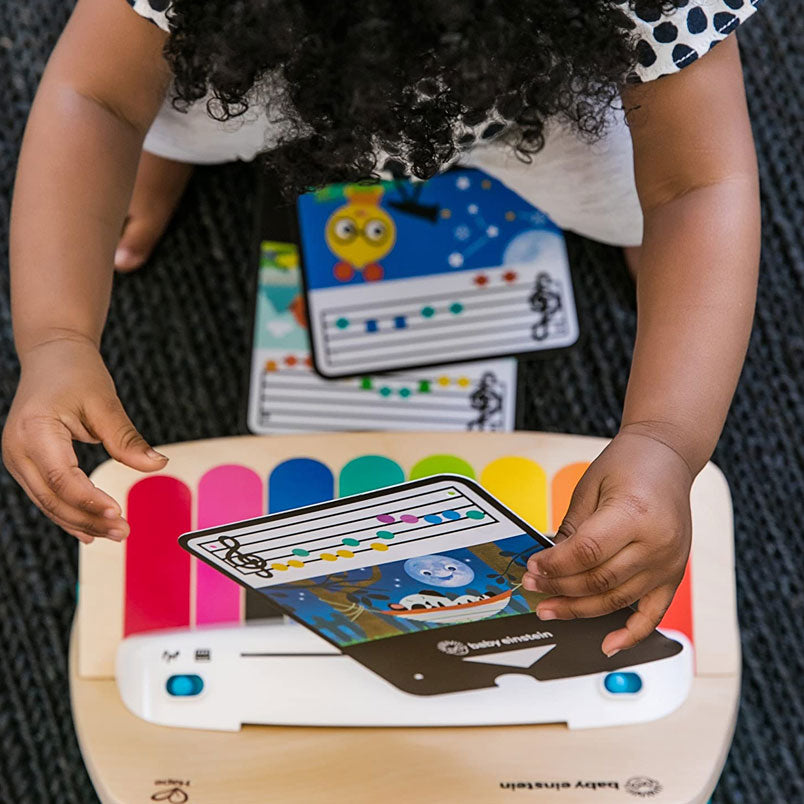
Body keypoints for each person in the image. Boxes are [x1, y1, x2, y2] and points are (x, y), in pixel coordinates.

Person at [3, 0, 762, 656]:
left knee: (654, 188)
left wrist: (667, 437)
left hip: (542, 104)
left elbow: (696, 186)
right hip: (271, 71)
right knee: (156, 94)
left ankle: (635, 216)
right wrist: (58, 336)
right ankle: (164, 140)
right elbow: (97, 97)